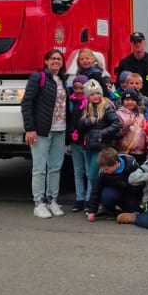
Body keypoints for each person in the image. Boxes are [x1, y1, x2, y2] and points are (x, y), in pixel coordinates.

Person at [21, 49, 69, 219]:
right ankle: (39, 203)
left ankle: (52, 200)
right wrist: (30, 128)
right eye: (53, 59)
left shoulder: (63, 80)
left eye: (59, 59)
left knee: (55, 167)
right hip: (41, 130)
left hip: (60, 129)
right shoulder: (38, 78)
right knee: (39, 168)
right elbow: (27, 103)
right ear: (46, 61)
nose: (56, 61)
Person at [77, 79, 121, 206]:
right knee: (91, 175)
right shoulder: (87, 108)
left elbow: (116, 124)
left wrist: (102, 133)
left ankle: (97, 201)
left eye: (97, 93)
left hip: (101, 147)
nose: (95, 96)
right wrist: (86, 122)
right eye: (92, 94)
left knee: (92, 175)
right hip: (89, 146)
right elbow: (79, 126)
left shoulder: (106, 107)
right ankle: (96, 201)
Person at [85, 148, 143, 222]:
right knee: (107, 196)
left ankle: (122, 209)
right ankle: (110, 210)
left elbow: (140, 184)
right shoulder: (102, 172)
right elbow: (95, 191)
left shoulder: (131, 164)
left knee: (136, 210)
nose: (103, 171)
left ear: (115, 164)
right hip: (112, 192)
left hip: (129, 193)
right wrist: (92, 211)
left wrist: (140, 201)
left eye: (106, 169)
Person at [115, 31, 148, 101]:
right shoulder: (124, 63)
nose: (137, 44)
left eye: (140, 41)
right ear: (131, 44)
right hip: (131, 103)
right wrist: (119, 98)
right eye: (135, 42)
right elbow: (117, 87)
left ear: (144, 43)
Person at [67, 74, 90, 212]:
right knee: (78, 172)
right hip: (75, 141)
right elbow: (69, 120)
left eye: (81, 88)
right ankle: (79, 198)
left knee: (89, 172)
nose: (78, 91)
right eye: (76, 88)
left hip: (87, 142)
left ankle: (88, 199)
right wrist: (71, 133)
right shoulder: (71, 102)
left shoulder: (91, 102)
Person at [116, 88, 148, 163]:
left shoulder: (141, 115)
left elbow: (145, 131)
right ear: (123, 101)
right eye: (127, 100)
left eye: (133, 100)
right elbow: (117, 133)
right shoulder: (118, 114)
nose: (130, 102)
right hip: (125, 151)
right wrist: (127, 125)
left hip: (140, 152)